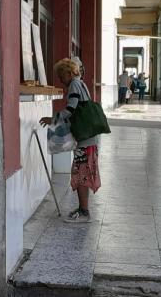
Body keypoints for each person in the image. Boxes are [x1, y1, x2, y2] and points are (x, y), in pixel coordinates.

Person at [40, 58, 100, 222]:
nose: (60, 80)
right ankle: (83, 209)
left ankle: (84, 212)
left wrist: (53, 119)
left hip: (84, 140)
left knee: (81, 174)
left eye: (61, 76)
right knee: (82, 172)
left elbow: (71, 109)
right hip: (88, 138)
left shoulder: (74, 84)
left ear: (68, 73)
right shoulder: (81, 83)